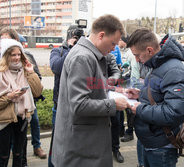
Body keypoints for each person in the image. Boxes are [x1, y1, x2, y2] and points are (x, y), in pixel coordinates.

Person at [51, 14, 130, 167]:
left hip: (86, 146)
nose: (114, 48)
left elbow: (93, 88)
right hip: (81, 150)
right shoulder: (83, 57)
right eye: (113, 43)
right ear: (101, 35)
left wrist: (117, 91)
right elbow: (79, 104)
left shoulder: (92, 55)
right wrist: (113, 105)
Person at [126, 28, 184, 167]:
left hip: (161, 147)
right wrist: (139, 94)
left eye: (137, 55)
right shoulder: (158, 65)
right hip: (152, 141)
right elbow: (158, 94)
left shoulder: (173, 69)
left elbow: (177, 112)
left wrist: (140, 109)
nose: (137, 60)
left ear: (149, 50)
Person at [0, 29, 46, 166]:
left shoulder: (25, 70)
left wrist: (31, 73)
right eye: (12, 55)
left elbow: (37, 92)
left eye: (18, 54)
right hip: (4, 121)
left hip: (22, 117)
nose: (16, 58)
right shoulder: (1, 73)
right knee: (3, 156)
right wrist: (10, 97)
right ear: (5, 55)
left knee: (19, 155)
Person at [48, 24, 83, 167]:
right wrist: (72, 49)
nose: (77, 40)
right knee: (57, 141)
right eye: (75, 37)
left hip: (78, 105)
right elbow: (57, 67)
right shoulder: (58, 51)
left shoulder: (84, 52)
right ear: (68, 36)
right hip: (60, 105)